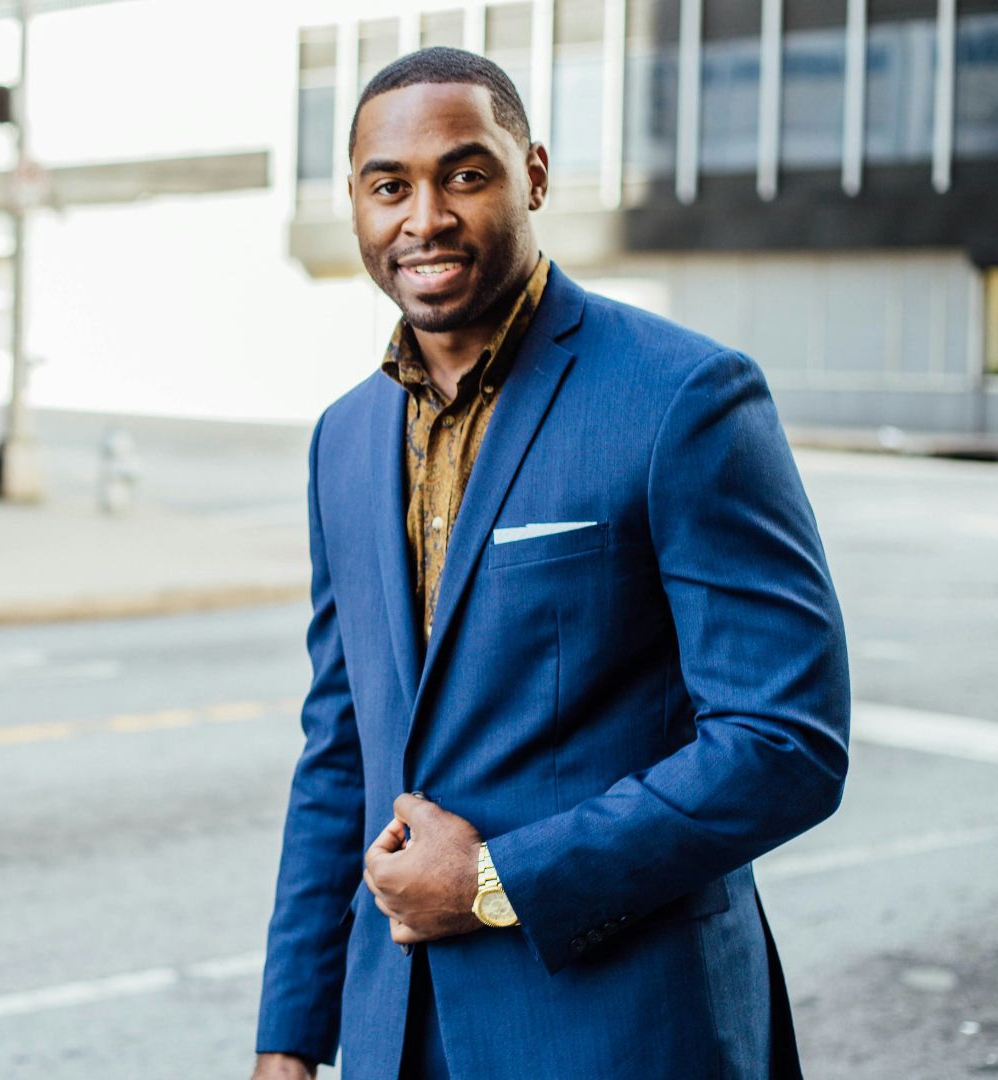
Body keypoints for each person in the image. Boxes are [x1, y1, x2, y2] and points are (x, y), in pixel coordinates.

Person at [251, 48, 851, 1079]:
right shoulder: (343, 440)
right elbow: (341, 753)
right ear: (354, 201)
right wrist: (290, 1036)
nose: (424, 216)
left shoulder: (682, 398)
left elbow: (785, 742)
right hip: (398, 1035)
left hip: (625, 1032)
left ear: (532, 174)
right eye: (389, 185)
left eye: (465, 173)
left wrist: (497, 880)